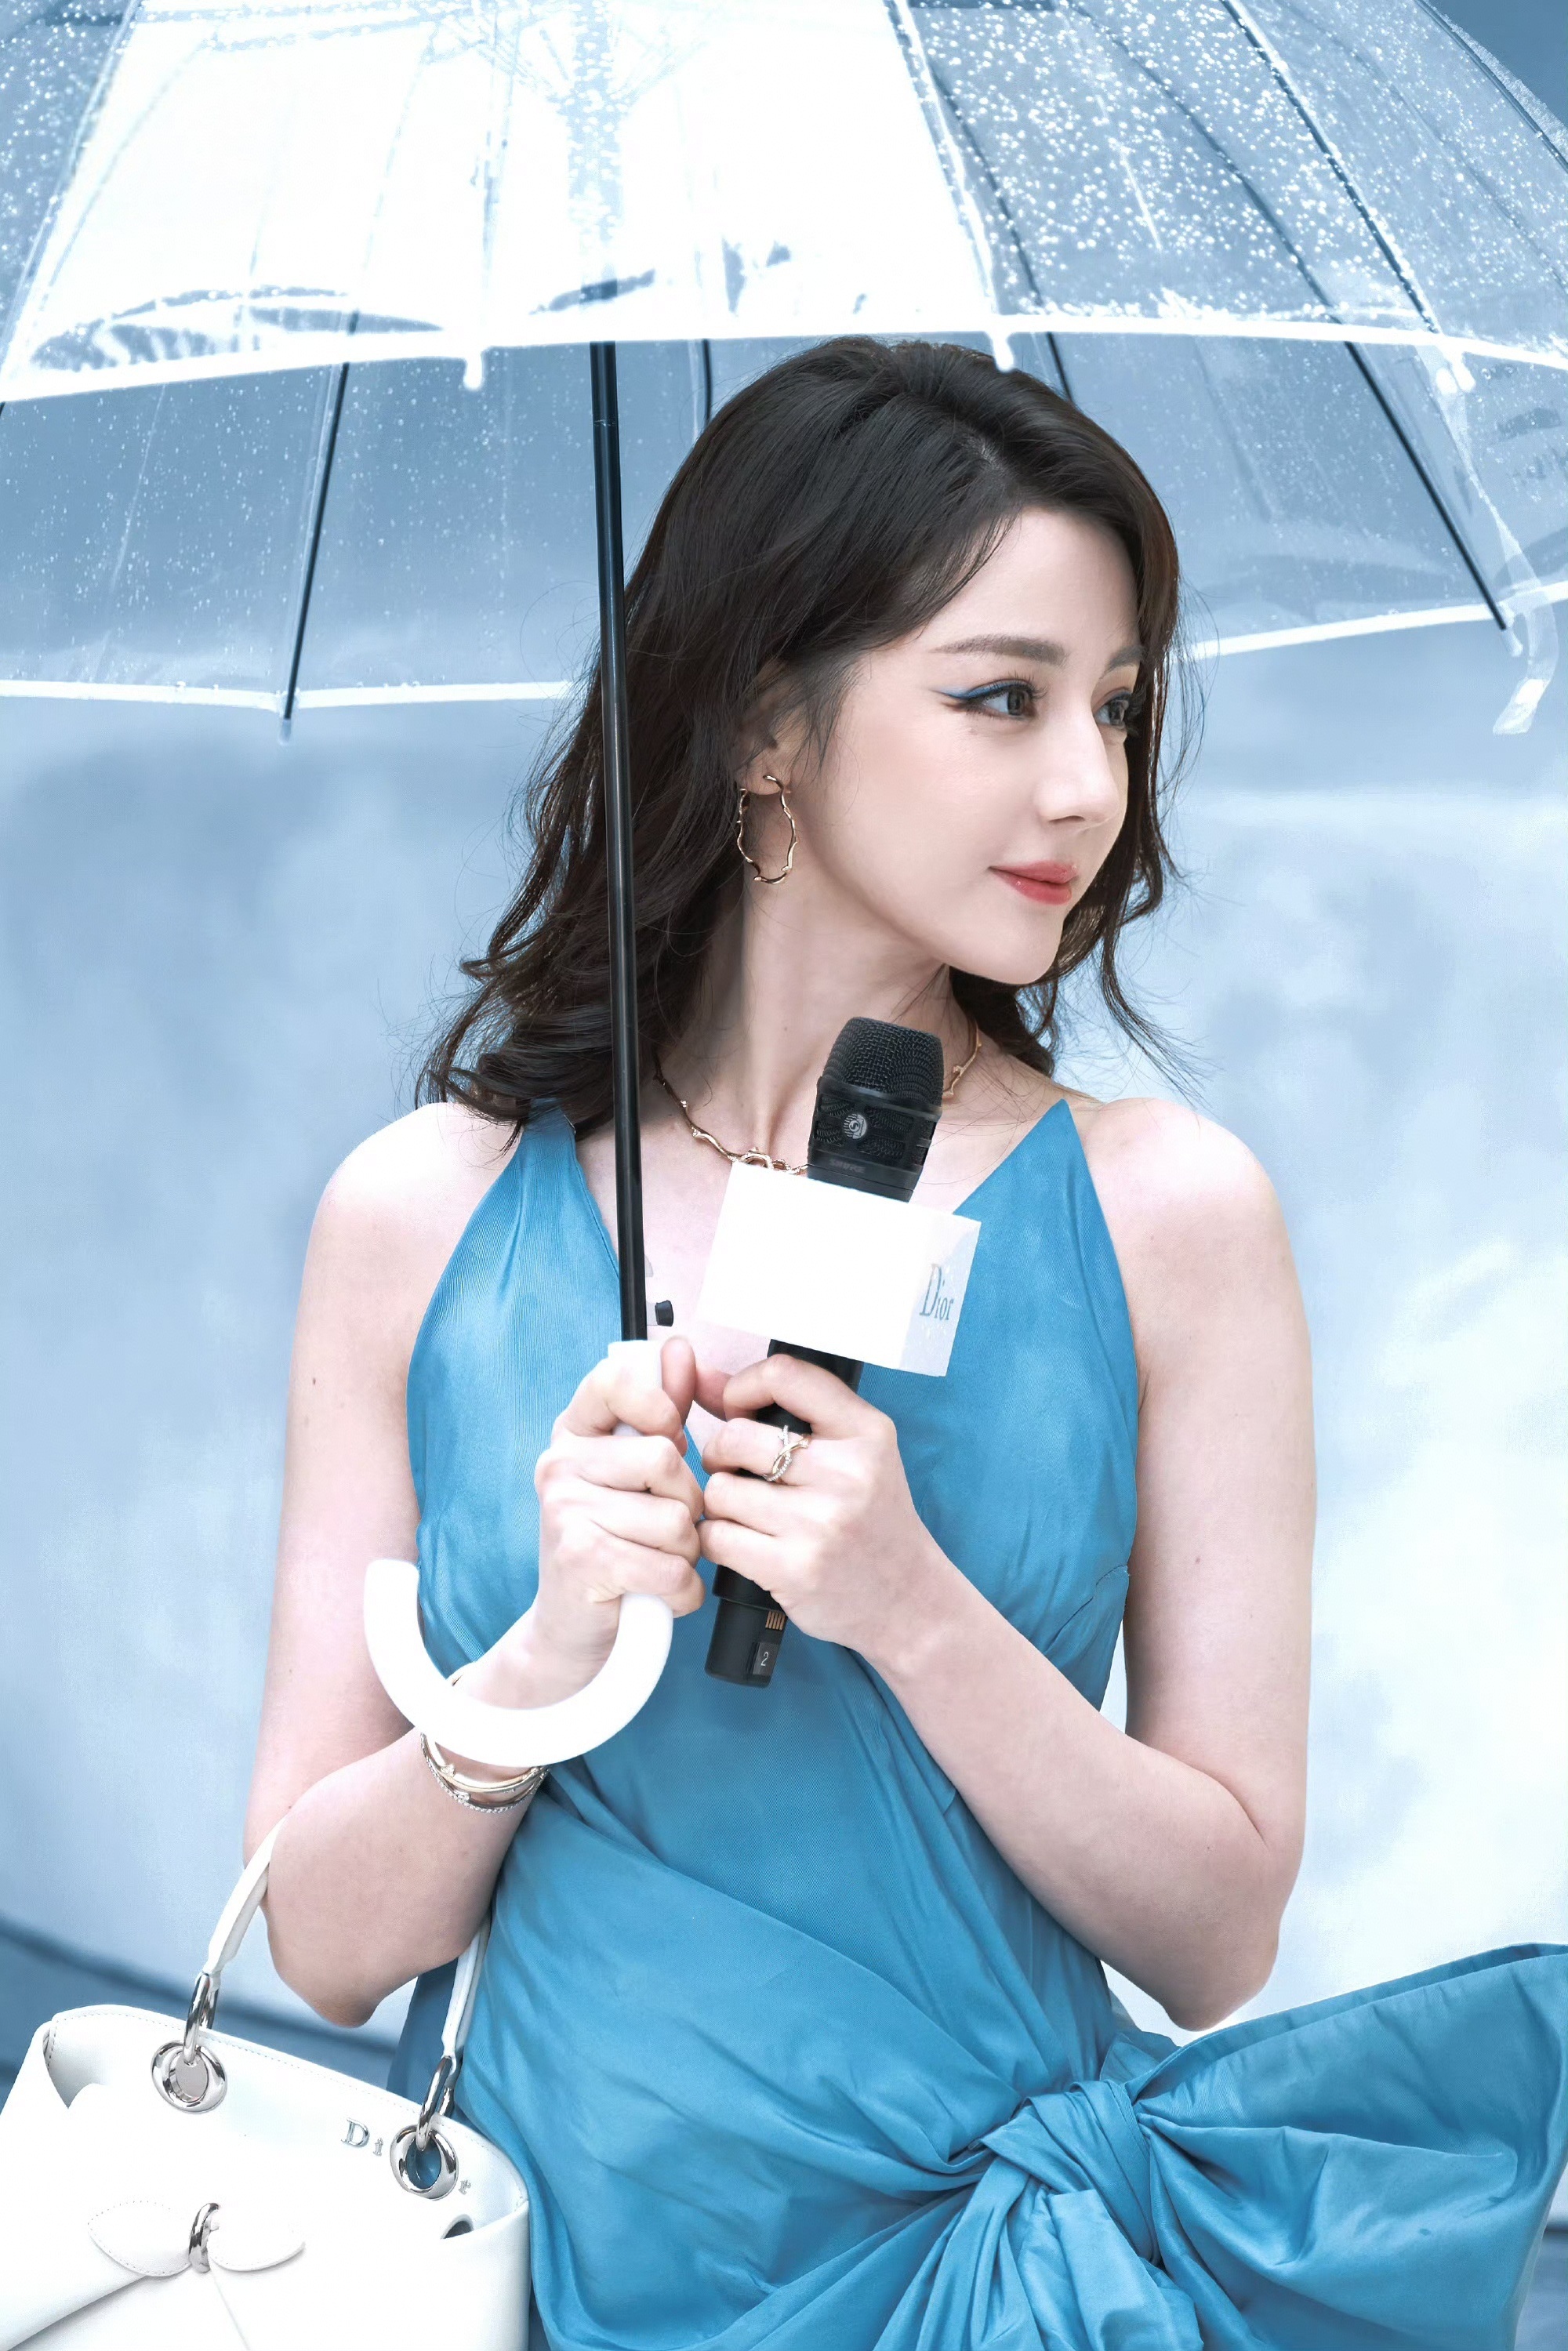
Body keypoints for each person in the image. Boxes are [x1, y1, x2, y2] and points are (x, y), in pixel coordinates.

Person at [245, 339, 1566, 2349]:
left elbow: (1217, 1934)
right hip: (534, 2279)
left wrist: (909, 1605)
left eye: (1115, 707)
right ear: (765, 725)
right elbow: (326, 1948)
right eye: (1001, 697)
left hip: (990, 2285)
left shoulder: (1167, 1215)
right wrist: (540, 1656)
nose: (1086, 786)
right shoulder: (418, 1214)